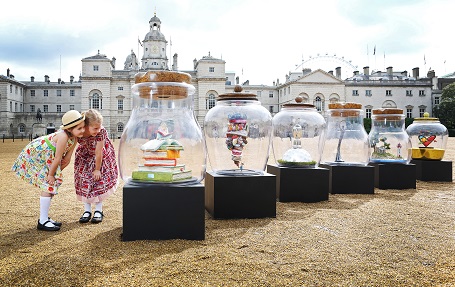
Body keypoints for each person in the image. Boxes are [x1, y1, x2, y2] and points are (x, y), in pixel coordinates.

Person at [12, 110, 86, 231]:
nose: (83, 130)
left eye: (83, 127)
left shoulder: (75, 138)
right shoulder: (63, 136)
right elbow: (57, 158)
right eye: (79, 128)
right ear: (69, 129)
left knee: (52, 184)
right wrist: (51, 175)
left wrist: (56, 174)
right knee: (48, 185)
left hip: (49, 158)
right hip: (37, 155)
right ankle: (42, 220)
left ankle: (44, 217)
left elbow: (66, 159)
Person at [75, 109, 118, 224]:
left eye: (99, 127)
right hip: (85, 155)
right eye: (95, 128)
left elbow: (99, 152)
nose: (98, 130)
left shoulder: (101, 132)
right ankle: (87, 211)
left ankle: (98, 210)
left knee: (98, 181)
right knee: (84, 180)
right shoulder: (80, 131)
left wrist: (97, 169)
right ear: (86, 126)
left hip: (101, 155)